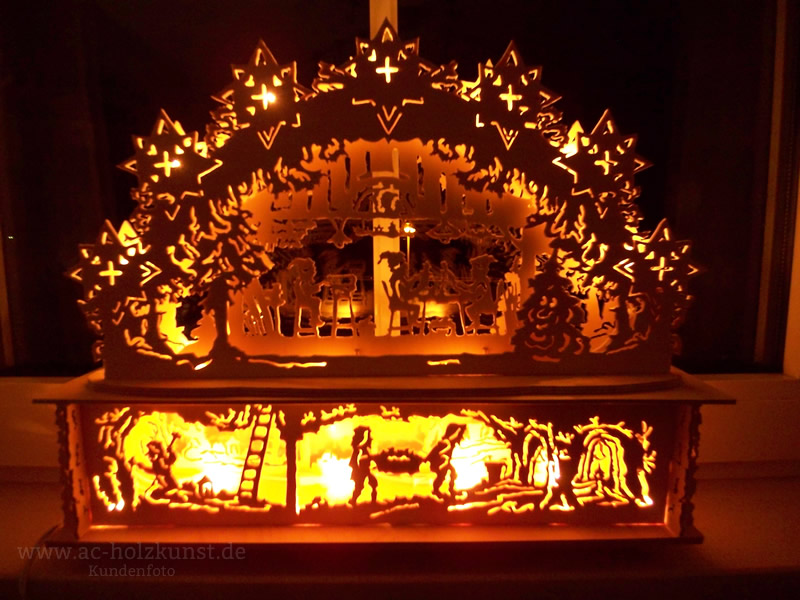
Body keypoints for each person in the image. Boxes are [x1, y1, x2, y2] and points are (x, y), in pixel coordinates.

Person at [349, 426, 378, 506]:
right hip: (360, 471)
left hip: (365, 470)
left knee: (373, 484)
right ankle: (353, 501)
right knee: (359, 487)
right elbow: (358, 461)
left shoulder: (365, 449)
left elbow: (369, 458)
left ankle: (373, 503)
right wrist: (367, 434)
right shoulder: (359, 448)